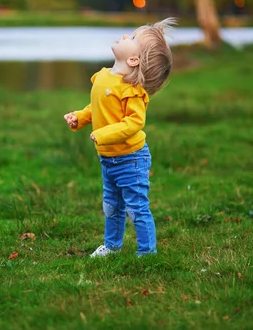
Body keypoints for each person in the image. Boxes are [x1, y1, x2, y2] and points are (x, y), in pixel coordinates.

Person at [64, 18, 176, 257]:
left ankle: (147, 252)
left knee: (136, 207)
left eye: (133, 38)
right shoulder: (105, 77)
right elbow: (98, 108)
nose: (126, 36)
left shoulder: (131, 91)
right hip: (109, 159)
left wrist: (104, 134)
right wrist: (80, 118)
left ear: (134, 60)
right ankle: (112, 246)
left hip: (131, 159)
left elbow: (134, 123)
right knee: (111, 206)